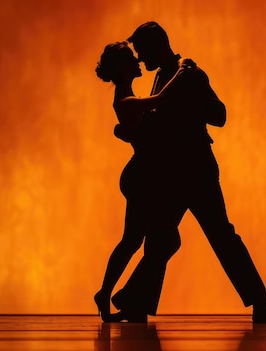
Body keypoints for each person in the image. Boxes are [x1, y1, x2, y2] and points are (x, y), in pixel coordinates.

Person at [110, 22, 266, 323]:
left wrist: (188, 104)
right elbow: (161, 121)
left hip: (197, 169)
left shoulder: (192, 75)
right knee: (160, 239)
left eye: (143, 52)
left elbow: (219, 114)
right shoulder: (161, 76)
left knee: (221, 235)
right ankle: (135, 302)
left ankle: (259, 300)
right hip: (172, 172)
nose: (141, 59)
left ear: (159, 46)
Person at [93, 41, 195, 323]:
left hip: (145, 177)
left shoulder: (130, 97)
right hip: (141, 179)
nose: (138, 61)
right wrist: (182, 72)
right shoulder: (126, 102)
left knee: (133, 241)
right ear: (121, 69)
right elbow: (161, 100)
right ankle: (123, 296)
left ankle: (112, 295)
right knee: (164, 239)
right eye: (131, 59)